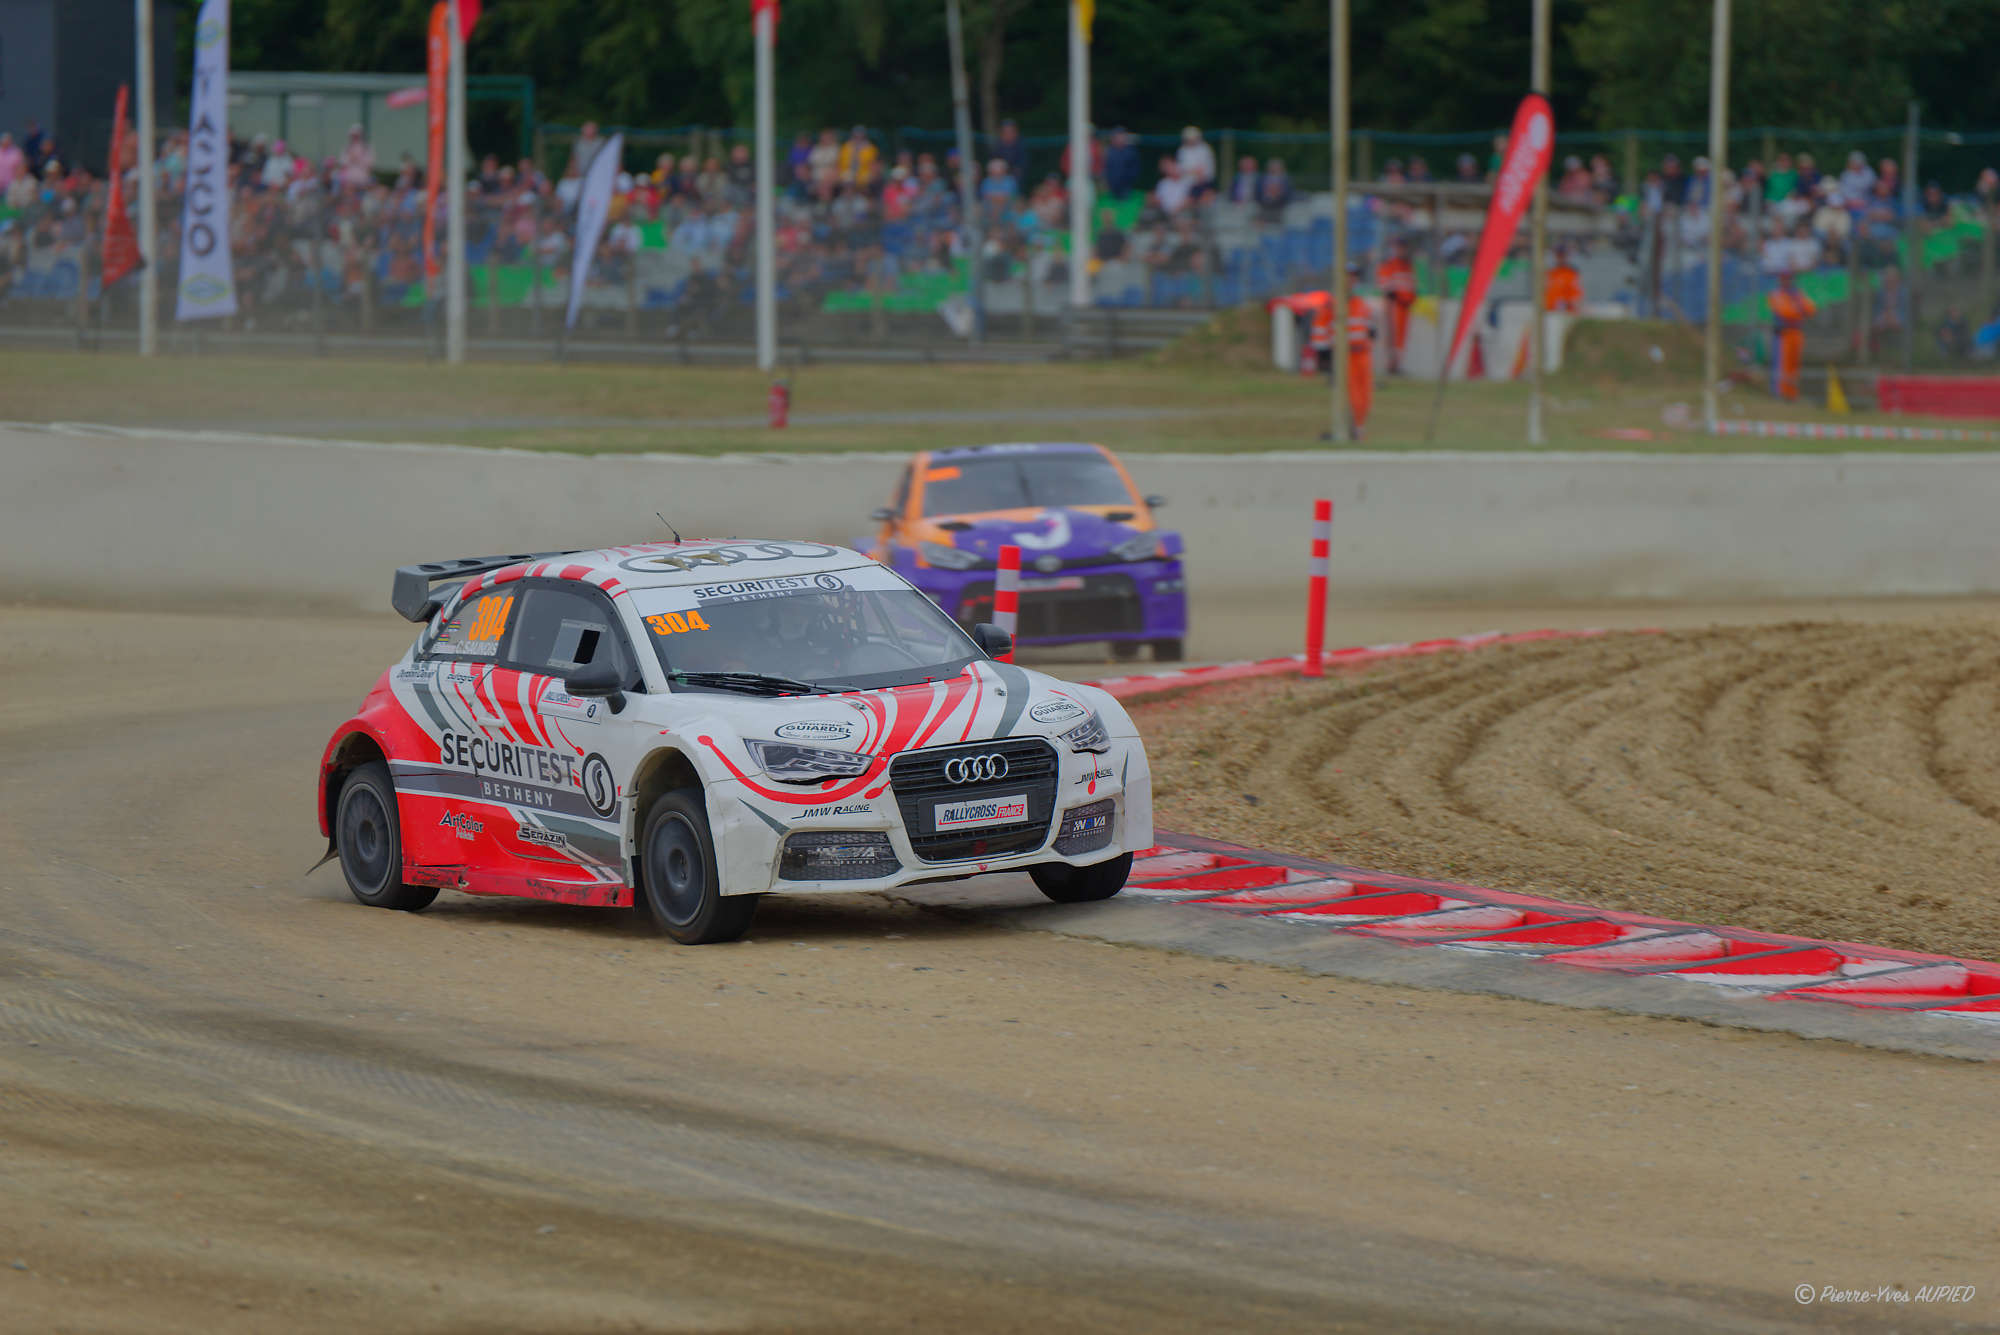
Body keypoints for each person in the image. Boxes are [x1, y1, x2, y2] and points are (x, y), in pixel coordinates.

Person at [1767, 270, 1817, 402]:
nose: (1787, 282)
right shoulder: (1777, 293)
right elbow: (1785, 311)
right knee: (1783, 364)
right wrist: (1799, 309)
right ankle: (1780, 392)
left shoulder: (1797, 294)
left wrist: (1798, 306)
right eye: (1785, 279)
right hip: (1783, 333)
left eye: (1789, 279)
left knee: (1795, 365)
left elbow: (1811, 309)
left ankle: (1792, 393)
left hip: (1797, 331)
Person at [1374, 239, 1416, 373]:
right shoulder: (1389, 265)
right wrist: (1396, 298)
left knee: (1401, 338)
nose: (1400, 251)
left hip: (1405, 307)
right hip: (1393, 305)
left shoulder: (1407, 266)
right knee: (1392, 336)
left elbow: (1412, 286)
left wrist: (1410, 299)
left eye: (1402, 248)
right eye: (1398, 248)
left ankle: (1397, 364)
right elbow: (1385, 287)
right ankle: (1391, 365)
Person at [1343, 261, 1375, 436]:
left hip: (1363, 352)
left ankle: (1360, 426)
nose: (1351, 280)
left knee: (1365, 395)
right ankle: (1354, 427)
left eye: (1354, 276)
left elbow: (1368, 325)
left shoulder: (1361, 302)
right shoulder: (1337, 302)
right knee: (1352, 393)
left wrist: (1372, 333)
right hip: (1346, 354)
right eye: (1349, 276)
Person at [1544, 247, 1582, 312]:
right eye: (1559, 255)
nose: (1560, 258)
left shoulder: (1571, 273)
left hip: (1566, 311)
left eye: (1563, 255)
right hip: (1550, 311)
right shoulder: (1550, 273)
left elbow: (1577, 295)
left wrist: (1568, 303)